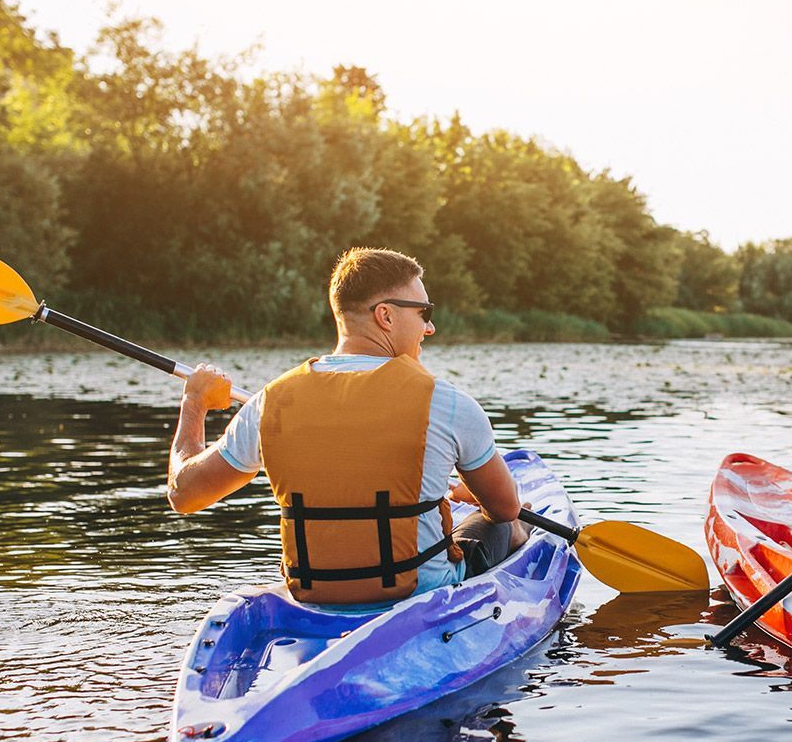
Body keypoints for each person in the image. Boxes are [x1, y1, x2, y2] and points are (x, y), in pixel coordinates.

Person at [164, 247, 528, 607]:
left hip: (314, 592)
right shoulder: (447, 402)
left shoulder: (271, 401)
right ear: (385, 315)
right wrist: (475, 495)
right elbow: (504, 507)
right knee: (506, 525)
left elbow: (184, 494)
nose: (430, 327)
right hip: (419, 592)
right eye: (424, 313)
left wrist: (194, 403)